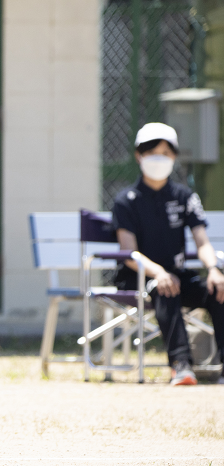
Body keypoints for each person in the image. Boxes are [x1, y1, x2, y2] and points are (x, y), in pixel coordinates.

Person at [112, 122, 224, 386]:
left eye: (165, 152)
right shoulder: (126, 200)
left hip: (178, 274)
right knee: (165, 287)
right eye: (152, 152)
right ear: (139, 155)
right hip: (139, 277)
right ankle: (181, 365)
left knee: (218, 290)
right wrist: (159, 272)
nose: (159, 158)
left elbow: (202, 242)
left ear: (174, 157)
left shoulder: (184, 195)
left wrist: (213, 270)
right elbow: (129, 253)